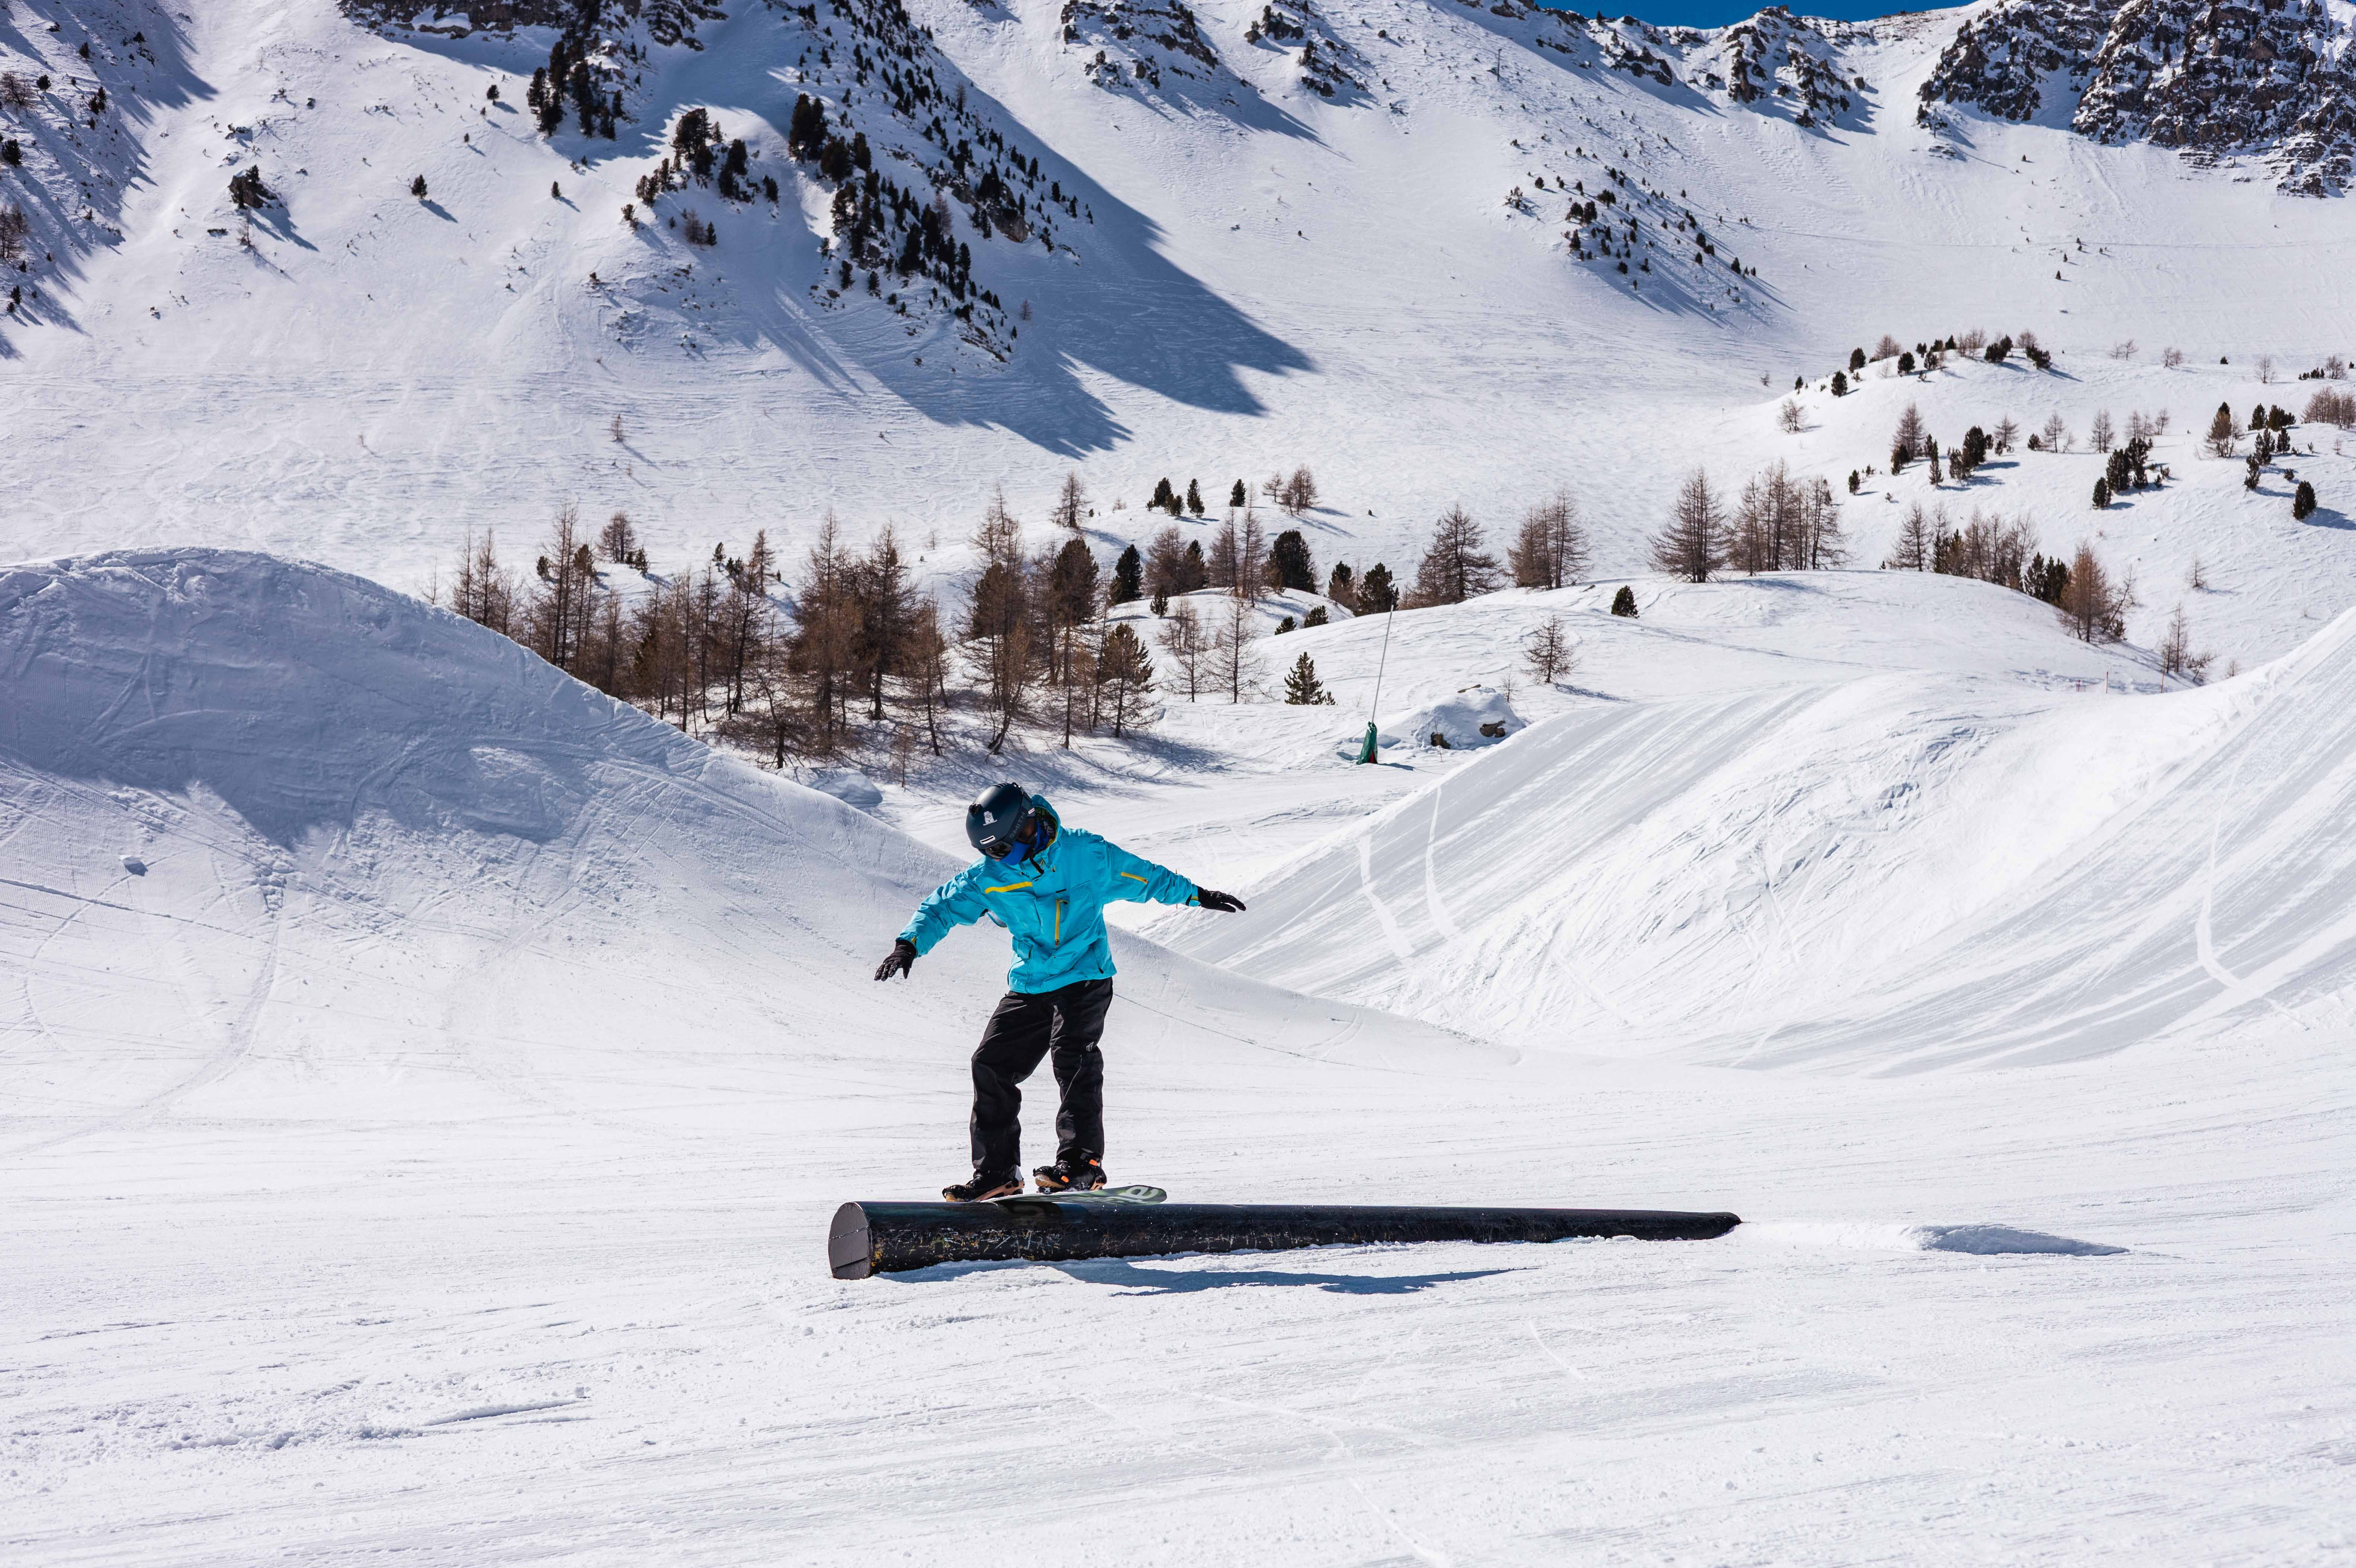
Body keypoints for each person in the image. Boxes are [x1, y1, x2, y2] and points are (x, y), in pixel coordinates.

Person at [876, 782, 1246, 1201]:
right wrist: (908, 945)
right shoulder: (989, 877)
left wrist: (1196, 895)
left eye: (1005, 850)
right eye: (990, 853)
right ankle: (998, 1172)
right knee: (990, 1063)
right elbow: (941, 907)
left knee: (1073, 1055)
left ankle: (1082, 1163)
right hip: (1032, 981)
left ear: (1028, 826)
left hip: (1085, 974)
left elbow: (1145, 878)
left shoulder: (1086, 855)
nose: (1001, 860)